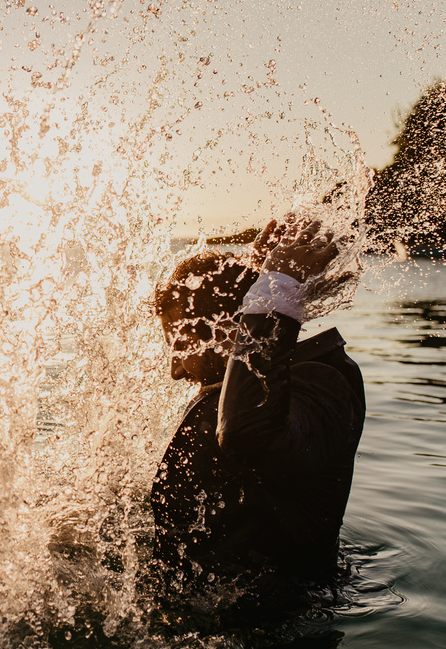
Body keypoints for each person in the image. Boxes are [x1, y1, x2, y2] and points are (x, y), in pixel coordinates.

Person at [150, 220, 365, 582]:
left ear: (229, 332)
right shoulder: (236, 387)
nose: (175, 369)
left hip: (272, 627)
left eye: (181, 344)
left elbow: (247, 432)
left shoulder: (324, 389)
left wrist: (275, 291)